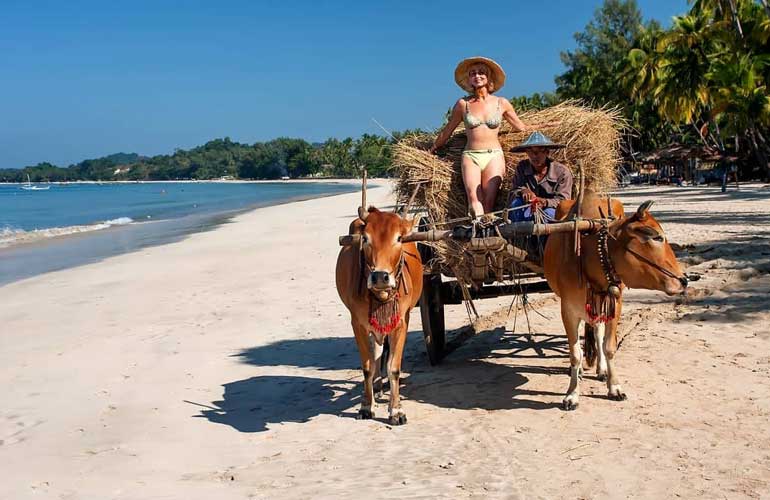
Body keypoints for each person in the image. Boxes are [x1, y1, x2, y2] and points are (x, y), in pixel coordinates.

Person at [429, 56, 530, 219]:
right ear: (469, 79)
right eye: (473, 73)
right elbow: (447, 130)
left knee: (489, 202)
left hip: (494, 155)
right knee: (474, 199)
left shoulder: (501, 103)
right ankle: (476, 229)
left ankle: (486, 235)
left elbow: (521, 127)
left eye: (481, 72)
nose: (477, 76)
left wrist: (545, 127)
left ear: (488, 76)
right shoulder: (463, 104)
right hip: (471, 156)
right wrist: (433, 147)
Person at [508, 131, 573, 223]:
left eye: (539, 152)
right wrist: (524, 191)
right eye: (531, 152)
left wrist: (544, 202)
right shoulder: (522, 167)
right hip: (527, 207)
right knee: (516, 204)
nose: (535, 156)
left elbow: (564, 201)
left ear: (547, 152)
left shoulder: (562, 172)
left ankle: (543, 237)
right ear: (526, 153)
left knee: (548, 214)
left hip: (550, 209)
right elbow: (513, 191)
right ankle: (518, 236)